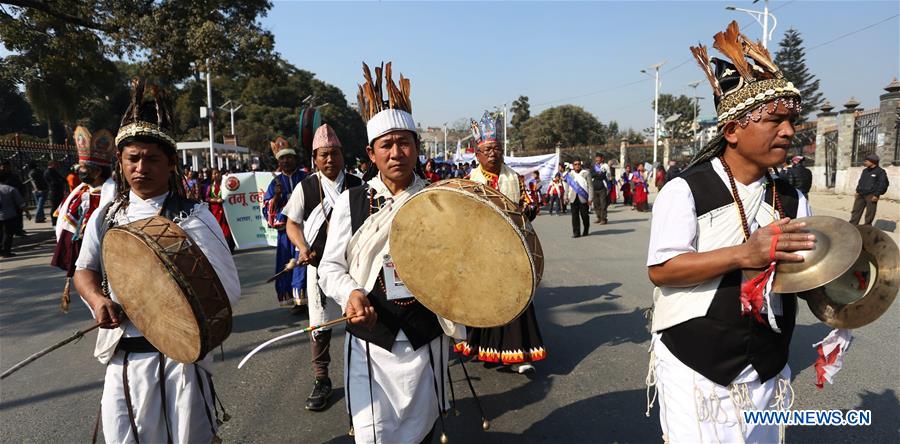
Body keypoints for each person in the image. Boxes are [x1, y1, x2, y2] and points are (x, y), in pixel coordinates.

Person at [646, 22, 816, 443]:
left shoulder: (793, 199)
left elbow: (805, 275)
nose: (789, 131)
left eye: (791, 120)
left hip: (766, 362)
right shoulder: (685, 189)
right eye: (775, 119)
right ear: (732, 130)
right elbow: (662, 270)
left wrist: (851, 283)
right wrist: (744, 254)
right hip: (695, 360)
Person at [73, 78, 240, 443]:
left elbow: (227, 288)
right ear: (120, 160)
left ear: (171, 163)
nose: (141, 167)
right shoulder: (106, 217)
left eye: (152, 158)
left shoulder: (194, 216)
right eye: (133, 158)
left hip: (182, 360)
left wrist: (168, 307)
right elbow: (84, 271)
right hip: (125, 358)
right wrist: (99, 300)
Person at [318, 62, 462, 444]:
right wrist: (351, 293)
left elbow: (459, 262)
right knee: (372, 435)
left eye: (405, 143)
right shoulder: (352, 202)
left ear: (417, 147)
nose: (397, 152)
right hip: (370, 339)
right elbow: (329, 266)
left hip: (424, 336)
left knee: (423, 430)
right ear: (371, 152)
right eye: (387, 145)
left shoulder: (440, 199)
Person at [456, 111, 546, 374]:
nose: (493, 154)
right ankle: (487, 350)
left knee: (515, 300)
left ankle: (515, 355)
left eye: (496, 149)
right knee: (483, 301)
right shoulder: (467, 182)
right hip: (480, 252)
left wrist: (527, 209)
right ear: (478, 155)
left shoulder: (515, 179)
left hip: (511, 250)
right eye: (488, 150)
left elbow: (530, 204)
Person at [284, 124, 363, 412]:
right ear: (315, 159)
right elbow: (292, 223)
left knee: (361, 318)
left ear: (343, 155)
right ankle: (322, 379)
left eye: (335, 154)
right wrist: (302, 247)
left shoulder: (359, 184)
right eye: (323, 155)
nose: (330, 160)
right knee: (320, 325)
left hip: (356, 268)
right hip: (318, 267)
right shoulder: (305, 187)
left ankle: (366, 374)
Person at [51, 126, 115, 311]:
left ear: (96, 172)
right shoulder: (81, 192)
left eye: (84, 169)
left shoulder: (109, 195)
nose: (80, 172)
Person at [263, 136, 308, 307]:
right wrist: (276, 196)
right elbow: (267, 208)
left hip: (303, 228)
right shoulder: (274, 183)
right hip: (284, 234)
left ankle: (304, 298)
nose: (286, 161)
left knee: (302, 262)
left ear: (295, 158)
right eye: (282, 158)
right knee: (287, 264)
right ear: (278, 162)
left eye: (289, 157)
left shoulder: (305, 178)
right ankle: (293, 299)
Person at [849, 153, 889, 225]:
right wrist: (857, 191)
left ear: (872, 161)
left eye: (866, 161)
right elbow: (861, 181)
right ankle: (852, 226)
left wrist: (876, 195)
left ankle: (867, 229)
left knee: (869, 213)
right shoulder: (865, 171)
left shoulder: (881, 172)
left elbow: (883, 184)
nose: (865, 162)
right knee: (855, 211)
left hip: (871, 195)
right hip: (860, 194)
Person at [205, 168, 234, 251]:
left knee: (226, 228)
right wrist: (216, 200)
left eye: (217, 173)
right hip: (215, 211)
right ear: (211, 176)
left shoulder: (225, 184)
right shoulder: (210, 187)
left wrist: (229, 176)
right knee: (217, 227)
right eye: (214, 174)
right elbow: (207, 198)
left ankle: (229, 246)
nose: (216, 175)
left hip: (226, 210)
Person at [0, 171, 26, 258]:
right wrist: (27, 212)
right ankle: (6, 251)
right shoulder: (10, 189)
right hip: (9, 215)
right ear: (6, 180)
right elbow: (20, 202)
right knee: (8, 234)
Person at [565, 159, 592, 237]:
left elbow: (590, 187)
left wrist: (590, 198)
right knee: (574, 216)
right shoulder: (570, 175)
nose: (577, 166)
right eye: (575, 164)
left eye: (578, 164)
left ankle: (586, 229)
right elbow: (567, 186)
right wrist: (565, 196)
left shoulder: (586, 173)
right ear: (573, 166)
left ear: (581, 165)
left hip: (583, 197)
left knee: (584, 215)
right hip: (573, 198)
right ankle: (576, 233)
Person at [44, 160, 66, 225]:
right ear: (52, 164)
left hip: (58, 191)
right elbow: (54, 182)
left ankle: (58, 220)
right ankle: (54, 221)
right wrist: (60, 181)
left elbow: (63, 179)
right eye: (56, 164)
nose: (57, 166)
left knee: (59, 206)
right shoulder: (49, 172)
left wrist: (61, 181)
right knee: (54, 207)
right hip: (54, 192)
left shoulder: (54, 171)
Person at [590, 153, 610, 224]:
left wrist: (597, 175)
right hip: (594, 187)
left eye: (599, 158)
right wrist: (597, 174)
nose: (597, 159)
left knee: (603, 204)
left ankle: (604, 219)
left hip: (602, 187)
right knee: (596, 204)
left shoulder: (605, 166)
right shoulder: (593, 166)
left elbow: (604, 175)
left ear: (602, 159)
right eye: (596, 158)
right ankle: (599, 217)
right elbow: (591, 175)